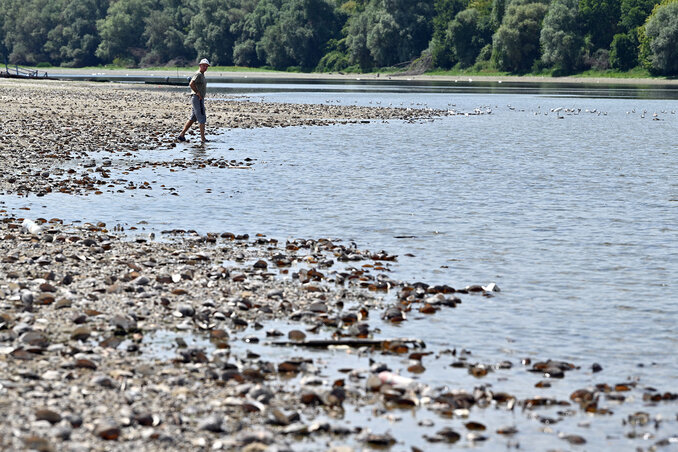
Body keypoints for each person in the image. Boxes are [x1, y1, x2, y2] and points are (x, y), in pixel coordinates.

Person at [177, 58, 210, 143]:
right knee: (202, 118)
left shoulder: (202, 75)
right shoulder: (198, 74)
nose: (205, 67)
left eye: (206, 66)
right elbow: (191, 83)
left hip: (199, 98)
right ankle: (203, 139)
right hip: (197, 98)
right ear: (200, 65)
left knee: (193, 117)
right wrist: (198, 92)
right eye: (204, 66)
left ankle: (181, 135)